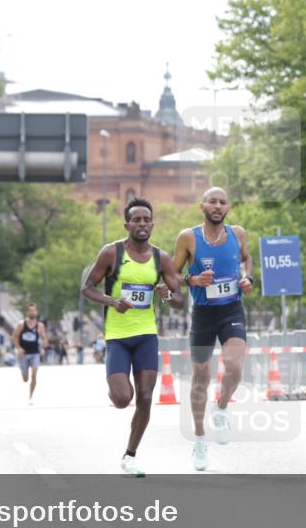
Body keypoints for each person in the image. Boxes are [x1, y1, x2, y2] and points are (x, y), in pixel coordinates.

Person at [81, 198, 184, 477]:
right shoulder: (111, 253)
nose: (142, 224)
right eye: (136, 220)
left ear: (152, 223)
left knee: (147, 396)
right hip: (117, 336)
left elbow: (179, 301)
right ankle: (114, 391)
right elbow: (87, 288)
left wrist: (167, 295)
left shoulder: (161, 258)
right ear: (127, 224)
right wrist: (112, 301)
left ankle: (130, 454)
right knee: (123, 398)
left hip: (146, 335)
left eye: (146, 220)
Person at [173, 187, 254, 471]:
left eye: (222, 202)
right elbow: (172, 276)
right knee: (201, 378)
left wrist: (248, 279)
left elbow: (246, 259)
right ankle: (199, 441)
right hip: (203, 314)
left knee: (233, 367)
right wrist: (192, 281)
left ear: (228, 208)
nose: (217, 206)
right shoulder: (188, 237)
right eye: (212, 201)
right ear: (202, 206)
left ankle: (220, 409)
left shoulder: (238, 233)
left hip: (232, 309)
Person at [12, 303, 48, 405]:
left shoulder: (40, 326)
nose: (32, 312)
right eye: (30, 310)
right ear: (27, 312)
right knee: (25, 379)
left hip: (34, 353)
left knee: (34, 375)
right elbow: (14, 336)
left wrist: (45, 342)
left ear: (36, 312)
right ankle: (23, 372)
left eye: (34, 310)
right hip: (23, 354)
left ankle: (30, 396)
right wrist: (19, 348)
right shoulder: (21, 324)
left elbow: (44, 337)